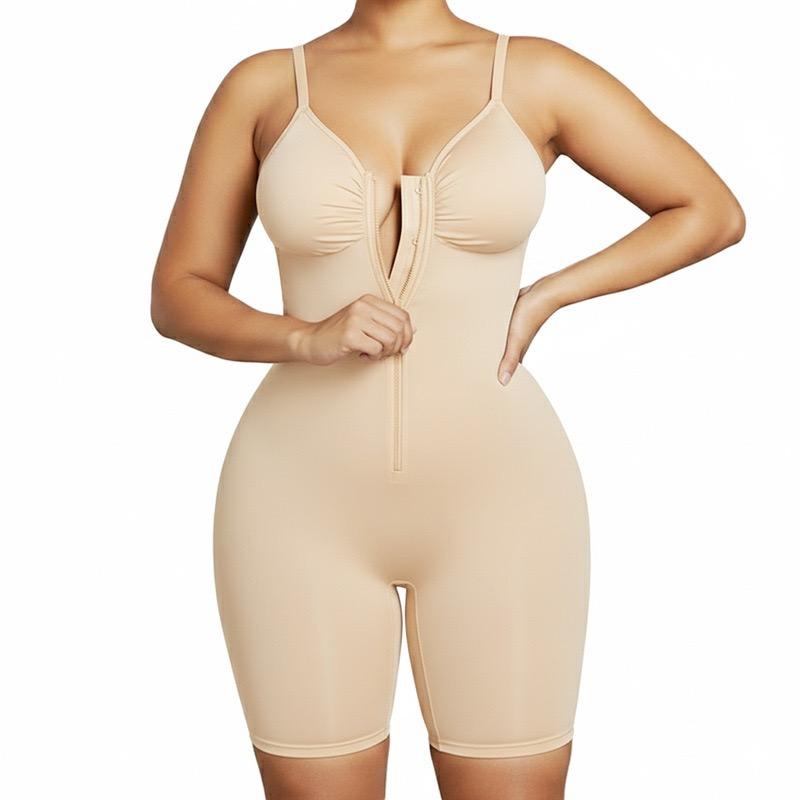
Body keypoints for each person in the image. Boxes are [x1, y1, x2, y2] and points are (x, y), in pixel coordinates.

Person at [150, 3, 745, 798]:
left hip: (501, 502)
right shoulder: (263, 86)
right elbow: (178, 293)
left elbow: (710, 211)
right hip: (296, 502)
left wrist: (547, 295)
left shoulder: (535, 74)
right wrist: (305, 337)